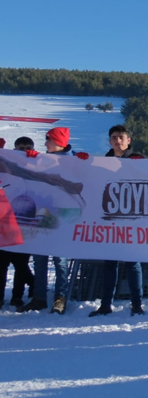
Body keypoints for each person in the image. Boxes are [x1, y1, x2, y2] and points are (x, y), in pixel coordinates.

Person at [19, 127, 84, 314]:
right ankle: (39, 297)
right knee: (39, 258)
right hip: (42, 214)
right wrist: (25, 158)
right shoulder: (42, 159)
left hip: (63, 217)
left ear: (58, 142)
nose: (45, 143)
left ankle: (60, 298)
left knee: (60, 261)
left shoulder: (74, 160)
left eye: (48, 140)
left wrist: (87, 162)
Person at [90, 125, 146, 317]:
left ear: (128, 140)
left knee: (132, 263)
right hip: (110, 219)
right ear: (109, 141)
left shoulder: (138, 159)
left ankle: (137, 304)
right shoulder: (102, 162)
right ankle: (106, 304)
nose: (118, 141)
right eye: (114, 137)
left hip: (131, 219)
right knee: (109, 264)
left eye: (121, 137)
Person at [0, 138, 36, 309]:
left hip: (26, 220)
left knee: (21, 264)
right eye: (21, 148)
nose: (24, 151)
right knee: (2, 263)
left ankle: (17, 296)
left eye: (28, 148)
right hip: (5, 222)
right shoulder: (6, 162)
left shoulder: (38, 163)